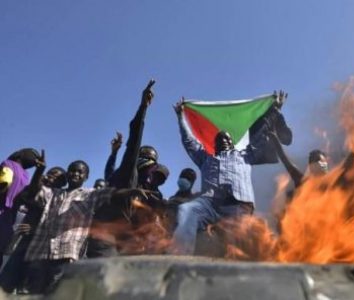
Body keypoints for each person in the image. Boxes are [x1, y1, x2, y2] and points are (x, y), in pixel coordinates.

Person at [170, 98, 276, 255]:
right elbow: (189, 141)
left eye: (227, 138)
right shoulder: (205, 158)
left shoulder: (245, 156)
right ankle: (179, 256)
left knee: (234, 241)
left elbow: (260, 136)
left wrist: (274, 110)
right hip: (210, 203)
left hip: (237, 205)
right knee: (187, 210)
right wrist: (180, 117)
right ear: (214, 145)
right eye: (219, 139)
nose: (223, 140)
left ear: (232, 143)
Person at [21, 159, 144, 294]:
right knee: (34, 292)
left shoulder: (89, 195)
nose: (75, 174)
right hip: (41, 251)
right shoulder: (52, 193)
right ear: (67, 173)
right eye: (72, 170)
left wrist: (132, 191)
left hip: (66, 254)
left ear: (86, 177)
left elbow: (112, 193)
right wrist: (39, 171)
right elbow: (34, 191)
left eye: (80, 172)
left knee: (55, 292)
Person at [87, 79, 156, 258]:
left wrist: (113, 154)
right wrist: (143, 108)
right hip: (105, 236)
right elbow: (135, 137)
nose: (148, 163)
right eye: (146, 157)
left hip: (118, 238)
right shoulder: (128, 171)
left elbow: (109, 174)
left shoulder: (139, 186)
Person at [0, 166, 67, 294]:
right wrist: (38, 180)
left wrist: (36, 229)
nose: (50, 177)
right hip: (20, 242)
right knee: (6, 281)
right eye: (50, 173)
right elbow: (26, 197)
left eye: (56, 176)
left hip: (39, 248)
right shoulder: (34, 190)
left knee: (26, 288)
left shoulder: (59, 198)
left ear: (62, 183)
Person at [0, 148, 40, 268]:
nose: (35, 159)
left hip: (6, 212)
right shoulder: (15, 168)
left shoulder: (16, 169)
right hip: (6, 212)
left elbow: (6, 182)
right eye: (34, 155)